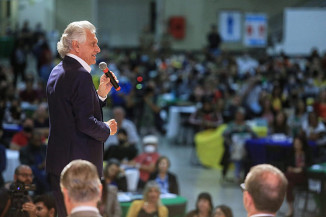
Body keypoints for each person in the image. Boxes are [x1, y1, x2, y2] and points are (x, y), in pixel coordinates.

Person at [46, 21, 118, 217]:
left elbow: (74, 111)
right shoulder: (80, 75)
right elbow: (85, 122)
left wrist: (100, 95)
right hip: (78, 166)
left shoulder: (58, 70)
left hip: (59, 161)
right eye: (93, 43)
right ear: (76, 46)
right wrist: (106, 129)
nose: (98, 48)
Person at [284, 135, 312, 217]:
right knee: (289, 184)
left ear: (302, 144)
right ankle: (291, 209)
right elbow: (287, 165)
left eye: (298, 143)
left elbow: (311, 165)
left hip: (304, 176)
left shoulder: (307, 153)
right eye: (295, 143)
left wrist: (301, 169)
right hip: (292, 176)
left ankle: (281, 180)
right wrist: (291, 168)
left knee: (287, 177)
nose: (296, 145)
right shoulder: (292, 153)